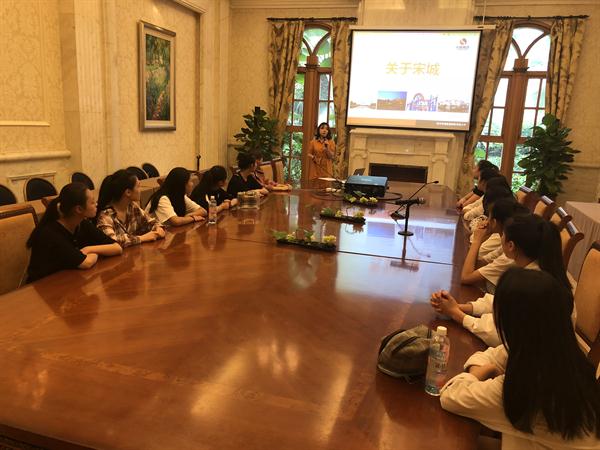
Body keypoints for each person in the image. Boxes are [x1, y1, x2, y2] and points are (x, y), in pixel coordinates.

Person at [440, 268, 600, 449]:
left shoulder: (524, 388)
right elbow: (492, 354)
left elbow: (450, 396)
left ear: (513, 324)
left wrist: (485, 370)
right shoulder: (564, 356)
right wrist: (487, 367)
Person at [431, 214, 572, 346]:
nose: (501, 238)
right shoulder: (538, 268)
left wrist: (456, 314)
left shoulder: (534, 284)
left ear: (511, 246)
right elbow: (503, 301)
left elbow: (499, 334)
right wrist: (460, 307)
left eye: (503, 235)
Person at [26, 182, 123, 282]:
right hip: (44, 285)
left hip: (69, 280)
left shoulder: (82, 223)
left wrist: (88, 249)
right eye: (92, 202)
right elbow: (86, 263)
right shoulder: (50, 234)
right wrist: (97, 251)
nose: (96, 204)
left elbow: (117, 248)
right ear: (79, 209)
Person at [461, 197, 529, 292]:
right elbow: (478, 265)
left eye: (488, 217)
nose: (486, 221)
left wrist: (476, 241)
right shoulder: (507, 244)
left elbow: (465, 277)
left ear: (494, 222)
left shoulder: (510, 256)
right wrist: (481, 239)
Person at [96, 169, 165, 247]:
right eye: (138, 186)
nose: (140, 190)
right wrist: (141, 238)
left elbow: (151, 222)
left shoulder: (132, 207)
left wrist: (158, 228)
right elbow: (112, 242)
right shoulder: (105, 215)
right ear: (128, 192)